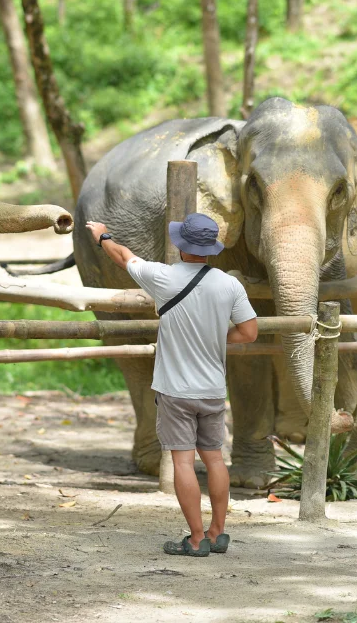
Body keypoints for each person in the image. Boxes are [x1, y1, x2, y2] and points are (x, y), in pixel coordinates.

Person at [86, 213, 258, 557]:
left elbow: (123, 257)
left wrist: (103, 236)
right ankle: (218, 532)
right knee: (214, 460)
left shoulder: (163, 277)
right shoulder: (229, 284)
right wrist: (216, 338)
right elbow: (249, 332)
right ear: (211, 248)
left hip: (176, 391)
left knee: (183, 462)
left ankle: (196, 540)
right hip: (212, 389)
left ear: (180, 245)